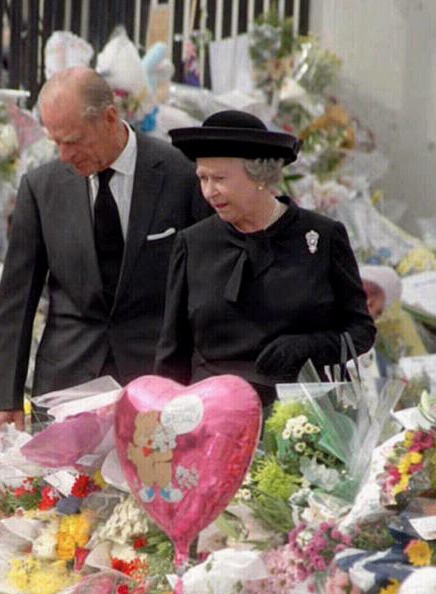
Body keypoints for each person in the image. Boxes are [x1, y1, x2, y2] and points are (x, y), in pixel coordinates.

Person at [0, 67, 208, 430]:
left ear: (110, 118)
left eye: (73, 140)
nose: (63, 155)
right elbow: (16, 300)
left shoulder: (179, 175)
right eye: (55, 141)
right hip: (67, 381)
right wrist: (5, 398)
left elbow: (202, 289)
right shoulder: (41, 188)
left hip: (155, 380)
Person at [154, 110, 376, 406]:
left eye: (219, 178)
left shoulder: (323, 236)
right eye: (202, 178)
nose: (209, 192)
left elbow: (361, 331)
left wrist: (308, 347)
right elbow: (173, 351)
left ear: (259, 176)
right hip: (214, 418)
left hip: (303, 419)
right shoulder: (193, 243)